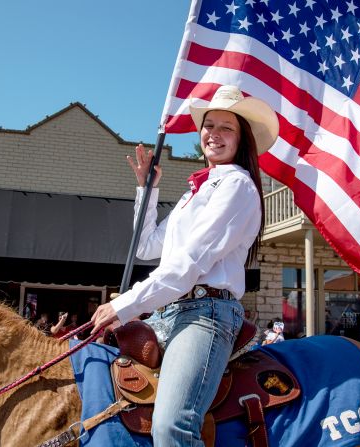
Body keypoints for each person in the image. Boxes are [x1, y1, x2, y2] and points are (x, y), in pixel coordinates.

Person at [90, 84, 278, 446]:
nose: (215, 134)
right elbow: (146, 246)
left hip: (206, 313)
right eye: (209, 125)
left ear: (243, 140)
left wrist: (123, 304)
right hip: (169, 312)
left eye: (227, 127)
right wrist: (148, 190)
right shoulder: (196, 192)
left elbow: (188, 264)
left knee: (171, 426)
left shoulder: (237, 186)